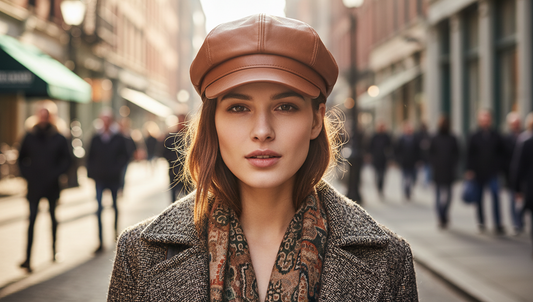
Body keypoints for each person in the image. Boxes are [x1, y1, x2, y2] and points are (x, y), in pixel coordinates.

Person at [107, 15, 417, 301]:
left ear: (315, 120)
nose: (262, 131)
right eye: (239, 108)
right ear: (212, 122)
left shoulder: (389, 259)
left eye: (285, 107)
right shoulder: (139, 253)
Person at [17, 106, 72, 272]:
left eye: (46, 116)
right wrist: (28, 175)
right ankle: (27, 258)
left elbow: (67, 161)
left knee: (53, 219)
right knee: (32, 220)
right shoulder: (29, 136)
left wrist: (56, 174)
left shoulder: (59, 137)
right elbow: (21, 160)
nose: (43, 119)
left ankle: (54, 251)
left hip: (52, 186)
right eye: (41, 116)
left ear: (51, 118)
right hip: (34, 186)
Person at [87, 109, 128, 252]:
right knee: (98, 209)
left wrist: (117, 169)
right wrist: (92, 173)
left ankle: (116, 234)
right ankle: (100, 241)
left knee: (115, 206)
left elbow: (125, 156)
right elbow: (89, 157)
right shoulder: (95, 137)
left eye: (107, 119)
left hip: (113, 178)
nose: (105, 122)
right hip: (99, 179)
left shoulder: (118, 137)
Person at [465, 109, 506, 235]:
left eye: (487, 119)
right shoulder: (474, 135)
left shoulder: (496, 135)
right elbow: (469, 154)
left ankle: (498, 223)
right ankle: (482, 221)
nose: (485, 121)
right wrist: (469, 170)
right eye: (483, 119)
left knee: (495, 195)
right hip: (478, 172)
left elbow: (502, 153)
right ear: (479, 120)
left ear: (490, 120)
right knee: (479, 198)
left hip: (492, 172)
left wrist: (499, 167)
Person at [429, 116, 459, 229]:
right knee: (437, 195)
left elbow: (457, 153)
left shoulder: (453, 138)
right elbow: (430, 154)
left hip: (449, 171)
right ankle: (441, 217)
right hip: (438, 171)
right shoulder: (435, 138)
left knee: (449, 196)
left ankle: (444, 213)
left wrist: (453, 165)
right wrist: (435, 164)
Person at [502, 112, 522, 234]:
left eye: (517, 124)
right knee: (513, 200)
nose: (515, 126)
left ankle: (521, 221)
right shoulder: (506, 139)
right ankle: (516, 223)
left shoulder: (525, 136)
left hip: (524, 175)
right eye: (513, 124)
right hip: (512, 174)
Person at [161, 114, 189, 202]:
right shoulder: (171, 136)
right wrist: (172, 161)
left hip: (188, 172)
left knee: (188, 198)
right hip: (174, 171)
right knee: (173, 198)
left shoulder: (192, 136)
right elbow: (164, 152)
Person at [395, 122, 420, 201]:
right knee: (405, 178)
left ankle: (409, 190)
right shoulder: (401, 139)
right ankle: (406, 192)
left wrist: (419, 160)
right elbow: (397, 150)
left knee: (413, 178)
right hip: (404, 162)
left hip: (413, 162)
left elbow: (418, 150)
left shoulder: (415, 138)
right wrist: (398, 160)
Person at [367, 122, 392, 199]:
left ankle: (381, 189)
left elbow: (390, 147)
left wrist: (390, 158)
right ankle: (378, 189)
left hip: (384, 160)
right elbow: (369, 146)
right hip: (376, 159)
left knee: (383, 175)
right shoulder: (374, 136)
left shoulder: (387, 136)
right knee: (377, 175)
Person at [118, 118, 137, 194]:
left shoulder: (128, 135)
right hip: (117, 160)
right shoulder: (117, 135)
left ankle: (121, 188)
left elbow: (133, 146)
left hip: (125, 159)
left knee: (123, 175)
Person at [415, 122, 431, 187]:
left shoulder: (428, 135)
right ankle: (422, 182)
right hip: (421, 157)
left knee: (426, 170)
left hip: (426, 157)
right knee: (421, 171)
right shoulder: (418, 135)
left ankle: (425, 183)